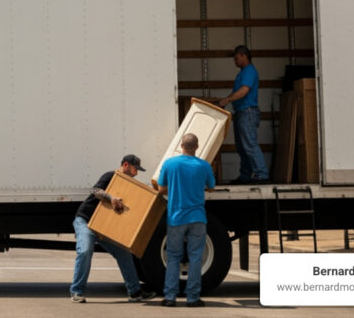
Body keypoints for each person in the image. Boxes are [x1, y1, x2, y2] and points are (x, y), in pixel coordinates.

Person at [70, 155, 156, 304]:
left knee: (124, 254)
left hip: (104, 228)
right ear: (126, 165)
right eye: (135, 169)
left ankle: (135, 293)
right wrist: (111, 198)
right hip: (86, 221)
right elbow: (95, 190)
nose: (136, 173)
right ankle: (76, 292)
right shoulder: (111, 176)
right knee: (85, 251)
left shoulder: (129, 185)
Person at [156, 133, 215, 308]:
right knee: (196, 257)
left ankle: (170, 297)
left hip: (176, 217)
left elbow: (160, 189)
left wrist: (175, 188)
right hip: (197, 217)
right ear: (196, 147)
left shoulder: (170, 164)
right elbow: (211, 187)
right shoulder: (203, 166)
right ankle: (193, 298)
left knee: (173, 257)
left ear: (181, 145)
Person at [218, 45, 269, 184]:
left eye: (236, 58)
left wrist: (227, 100)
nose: (235, 61)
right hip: (241, 113)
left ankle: (261, 174)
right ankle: (246, 175)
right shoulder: (243, 72)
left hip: (247, 112)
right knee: (242, 147)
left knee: (249, 145)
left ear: (244, 56)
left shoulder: (249, 71)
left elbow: (243, 91)